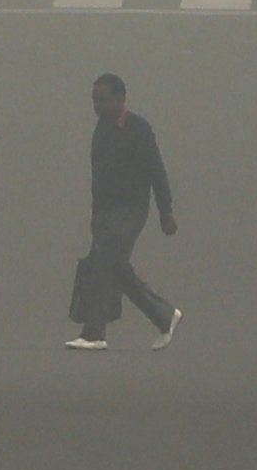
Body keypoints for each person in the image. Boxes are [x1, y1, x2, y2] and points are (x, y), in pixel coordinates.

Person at [64, 72, 180, 350]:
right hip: (105, 212)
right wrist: (95, 217)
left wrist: (166, 211)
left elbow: (156, 170)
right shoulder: (101, 130)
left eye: (102, 100)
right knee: (113, 266)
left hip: (131, 210)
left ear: (119, 99)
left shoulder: (139, 129)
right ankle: (164, 315)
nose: (96, 106)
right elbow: (98, 177)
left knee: (105, 262)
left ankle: (94, 333)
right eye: (94, 100)